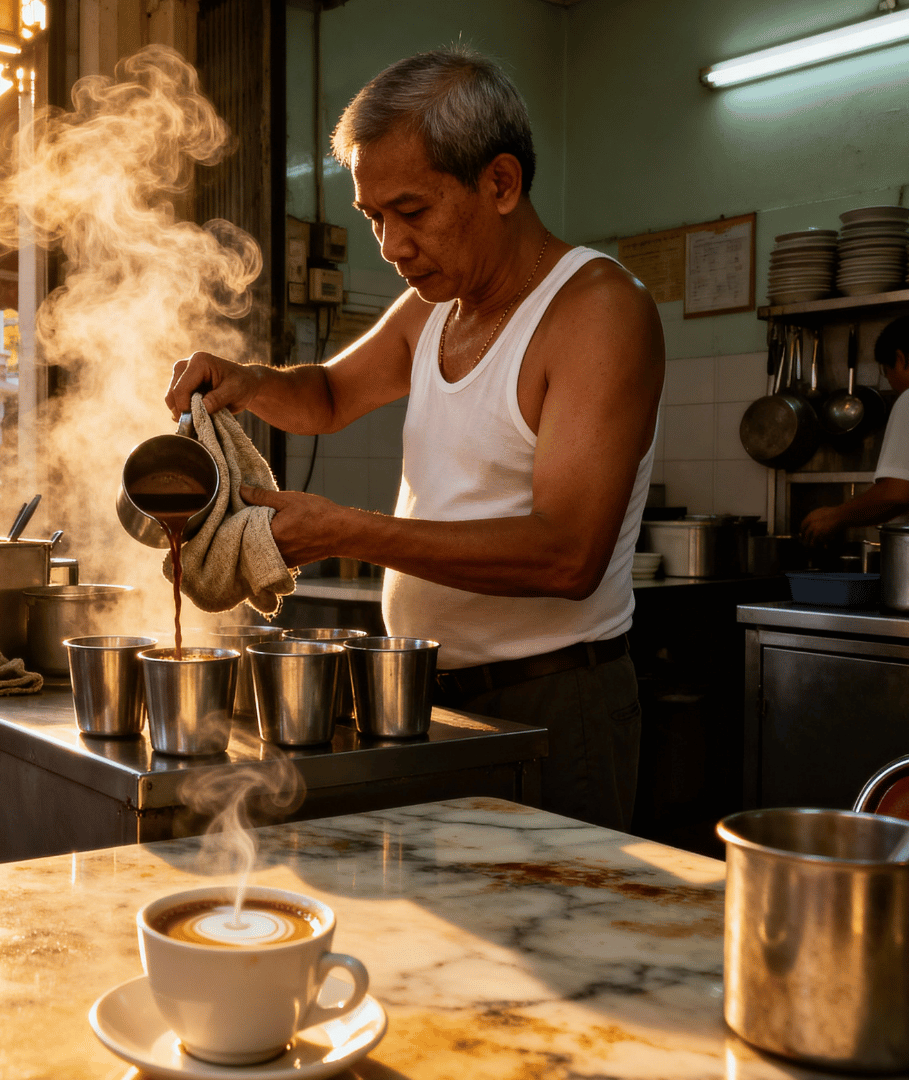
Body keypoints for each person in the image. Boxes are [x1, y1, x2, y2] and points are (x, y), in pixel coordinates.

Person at [165, 48, 664, 831]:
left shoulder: (594, 311)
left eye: (412, 211)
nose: (390, 247)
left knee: (548, 941)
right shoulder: (435, 305)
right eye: (373, 218)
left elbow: (568, 555)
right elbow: (328, 395)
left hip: (552, 701)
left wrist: (346, 532)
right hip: (425, 695)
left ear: (499, 183)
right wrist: (248, 379)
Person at [801, 313, 909, 543]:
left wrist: (834, 516)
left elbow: (897, 495)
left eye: (886, 372)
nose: (892, 384)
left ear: (901, 358)